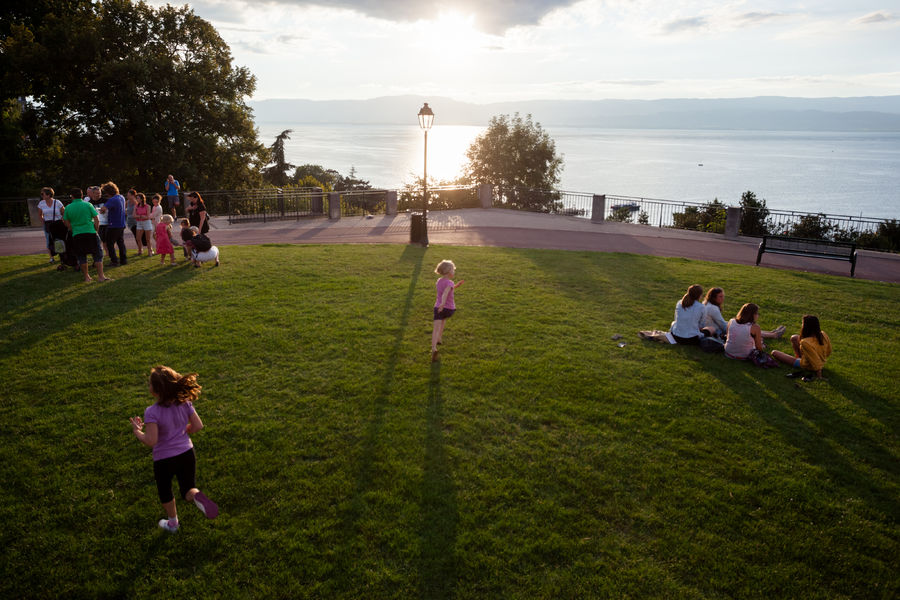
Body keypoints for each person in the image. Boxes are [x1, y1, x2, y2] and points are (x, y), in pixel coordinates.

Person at [129, 365, 219, 533]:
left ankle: (173, 523)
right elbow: (198, 425)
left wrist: (137, 432)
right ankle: (197, 495)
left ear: (155, 391)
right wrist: (187, 429)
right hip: (187, 454)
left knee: (165, 491)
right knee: (188, 489)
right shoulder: (185, 403)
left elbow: (151, 441)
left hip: (164, 460)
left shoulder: (152, 412)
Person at [62, 190, 111, 282]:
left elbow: (66, 221)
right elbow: (96, 219)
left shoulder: (68, 207)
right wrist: (96, 230)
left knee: (81, 256)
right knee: (97, 255)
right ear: (81, 196)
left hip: (77, 234)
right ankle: (101, 276)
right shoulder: (88, 205)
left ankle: (87, 277)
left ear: (72, 196)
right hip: (90, 232)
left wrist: (72, 229)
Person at [702, 287, 786, 340]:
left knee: (741, 325)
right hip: (716, 332)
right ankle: (773, 335)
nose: (723, 298)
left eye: (723, 296)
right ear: (713, 297)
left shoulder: (706, 303)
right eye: (720, 296)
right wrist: (734, 328)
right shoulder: (713, 308)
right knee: (744, 327)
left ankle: (771, 333)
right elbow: (723, 325)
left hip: (713, 328)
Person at [771, 315, 832, 380]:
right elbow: (829, 350)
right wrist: (822, 358)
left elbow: (815, 360)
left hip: (809, 365)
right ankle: (798, 357)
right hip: (821, 360)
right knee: (794, 338)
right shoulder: (823, 334)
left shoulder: (805, 342)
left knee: (774, 353)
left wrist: (819, 376)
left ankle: (797, 361)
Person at [431, 259, 464, 362]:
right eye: (453, 270)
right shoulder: (449, 282)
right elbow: (446, 292)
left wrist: (455, 287)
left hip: (438, 308)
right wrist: (443, 303)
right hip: (448, 309)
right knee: (443, 320)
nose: (454, 272)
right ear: (449, 271)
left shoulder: (439, 281)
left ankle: (434, 348)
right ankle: (439, 338)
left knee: (436, 327)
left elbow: (447, 289)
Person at [101, 182, 128, 266]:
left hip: (113, 225)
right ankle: (123, 260)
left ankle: (114, 261)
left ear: (108, 192)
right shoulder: (121, 197)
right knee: (120, 242)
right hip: (121, 223)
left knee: (110, 243)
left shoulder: (112, 200)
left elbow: (103, 209)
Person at [37, 187, 65, 263]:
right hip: (48, 224)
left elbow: (64, 213)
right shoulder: (41, 203)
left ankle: (62, 257)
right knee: (49, 240)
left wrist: (62, 221)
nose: (42, 195)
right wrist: (44, 222)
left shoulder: (57, 202)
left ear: (49, 195)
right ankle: (51, 258)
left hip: (58, 223)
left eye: (43, 194)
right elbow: (40, 215)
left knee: (59, 240)